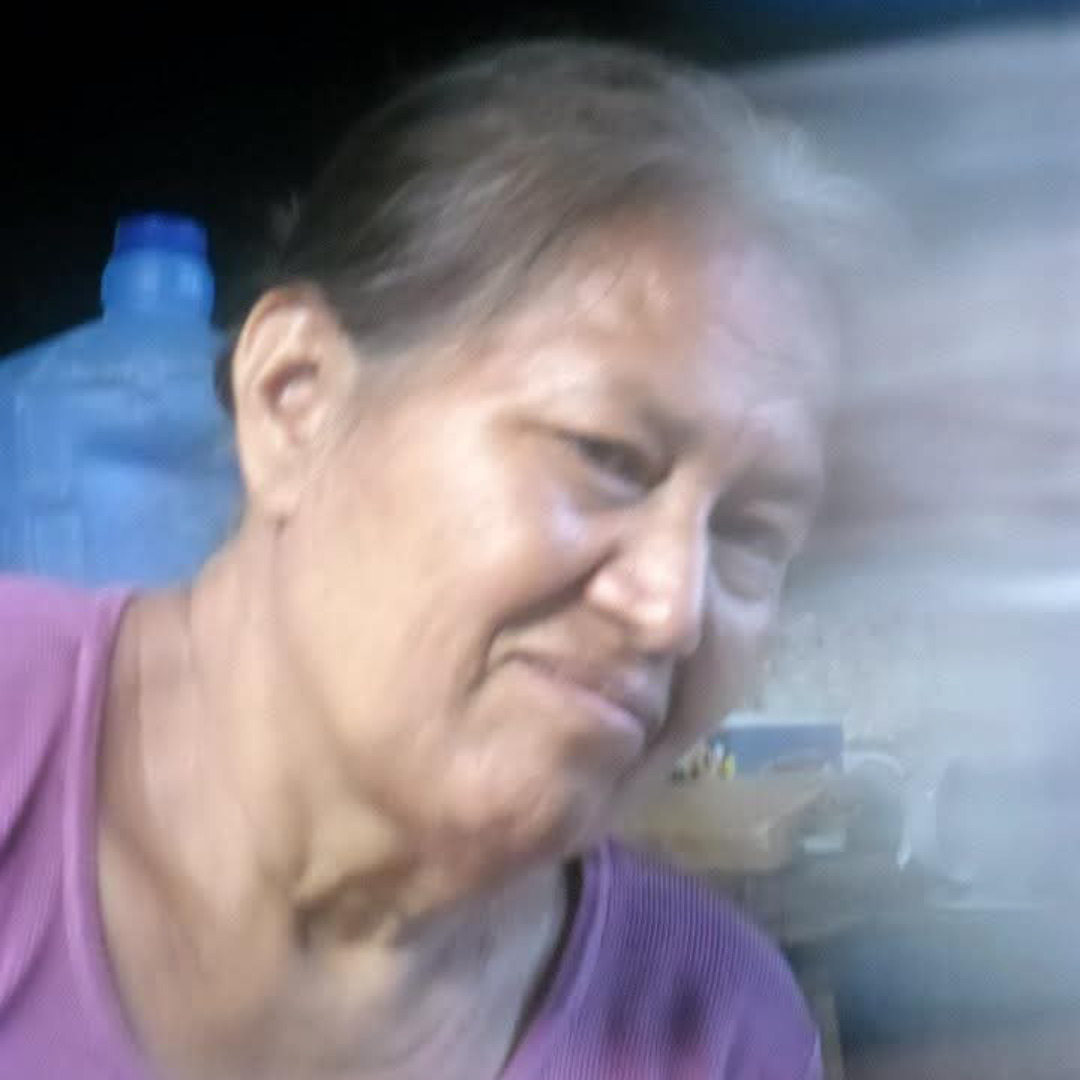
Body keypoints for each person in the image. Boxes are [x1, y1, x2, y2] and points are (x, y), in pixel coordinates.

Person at [0, 38, 865, 1079]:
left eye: (752, 532)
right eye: (604, 456)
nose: (673, 608)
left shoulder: (714, 1032)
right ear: (293, 400)